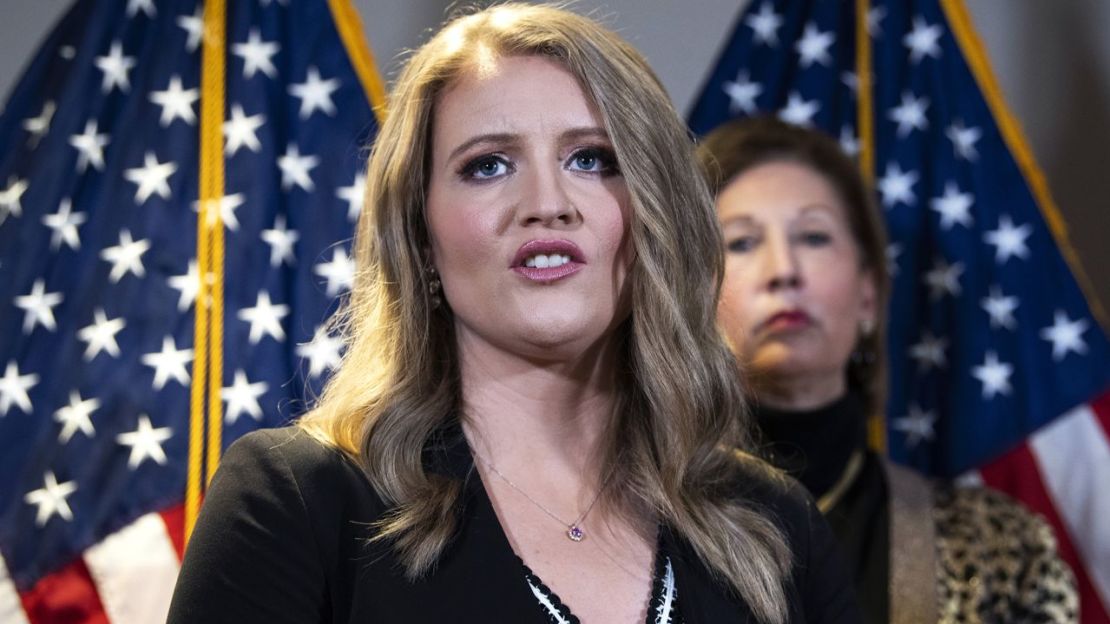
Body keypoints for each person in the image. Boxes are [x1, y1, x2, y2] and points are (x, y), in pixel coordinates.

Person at [167, 5, 861, 624]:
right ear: (421, 237)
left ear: (657, 215)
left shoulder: (774, 524)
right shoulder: (300, 503)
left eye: (592, 159)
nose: (548, 202)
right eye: (488, 166)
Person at [697, 116, 1078, 623]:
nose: (783, 270)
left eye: (813, 236)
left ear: (869, 297)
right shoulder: (638, 533)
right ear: (692, 295)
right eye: (741, 242)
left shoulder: (997, 547)